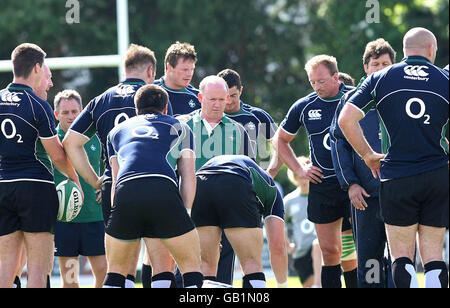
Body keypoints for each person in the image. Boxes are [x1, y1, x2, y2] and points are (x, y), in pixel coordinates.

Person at [338, 27, 449, 288]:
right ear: (431, 50)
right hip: (437, 176)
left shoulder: (382, 78)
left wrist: (368, 155)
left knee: (402, 256)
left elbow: (345, 119)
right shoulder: (444, 79)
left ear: (403, 51)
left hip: (396, 176)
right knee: (434, 256)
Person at [63, 43, 157, 287]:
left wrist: (96, 180)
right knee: (158, 257)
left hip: (115, 186)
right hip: (153, 183)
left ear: (125, 69)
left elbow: (71, 142)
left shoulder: (102, 99)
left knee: (118, 263)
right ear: (149, 72)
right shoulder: (156, 96)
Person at [104, 84, 203, 288]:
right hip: (162, 190)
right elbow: (188, 177)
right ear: (165, 108)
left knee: (115, 273)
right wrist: (185, 214)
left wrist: (119, 217)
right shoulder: (181, 127)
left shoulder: (116, 132)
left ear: (136, 108)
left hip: (126, 193)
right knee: (190, 266)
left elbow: (115, 182)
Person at [271, 55, 356, 288]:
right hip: (323, 187)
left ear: (336, 77)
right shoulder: (305, 105)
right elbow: (280, 139)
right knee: (330, 252)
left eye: (321, 81)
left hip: (354, 185)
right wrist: (299, 168)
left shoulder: (356, 98)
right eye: (312, 82)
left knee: (355, 254)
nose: (317, 87)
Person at [0, 43, 80, 288]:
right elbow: (56, 155)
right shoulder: (38, 105)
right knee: (38, 265)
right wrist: (75, 179)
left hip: (2, 185)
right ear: (36, 67)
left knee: (5, 263)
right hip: (35, 187)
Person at [330, 38, 396, 288]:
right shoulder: (350, 103)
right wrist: (351, 184)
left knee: (402, 260)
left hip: (400, 191)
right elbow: (338, 144)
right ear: (365, 68)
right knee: (369, 261)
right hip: (366, 194)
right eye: (375, 64)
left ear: (394, 65)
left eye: (386, 63)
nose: (380, 68)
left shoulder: (401, 98)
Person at [217, 69, 288, 288]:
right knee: (220, 250)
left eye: (233, 96)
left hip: (248, 190)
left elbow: (282, 146)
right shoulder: (212, 115)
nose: (228, 102)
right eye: (224, 96)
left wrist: (270, 174)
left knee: (255, 250)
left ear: (241, 91)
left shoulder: (256, 116)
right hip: (217, 189)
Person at [192, 155, 284, 288]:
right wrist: (283, 286)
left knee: (206, 266)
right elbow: (278, 246)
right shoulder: (272, 190)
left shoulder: (260, 180)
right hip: (235, 178)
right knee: (251, 264)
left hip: (200, 179)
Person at [53, 90, 107, 288]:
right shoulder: (50, 140)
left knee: (103, 272)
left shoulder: (95, 136)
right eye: (65, 112)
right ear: (56, 114)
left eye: (75, 111)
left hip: (95, 215)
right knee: (70, 279)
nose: (71, 116)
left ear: (82, 111)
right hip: (65, 220)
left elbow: (112, 162)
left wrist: (106, 186)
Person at [284, 156, 322, 288]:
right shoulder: (289, 200)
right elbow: (278, 224)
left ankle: (317, 283)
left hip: (319, 249)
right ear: (295, 177)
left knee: (317, 245)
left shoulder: (320, 196)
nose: (304, 180)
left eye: (307, 176)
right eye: (300, 176)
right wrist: (288, 245)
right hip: (300, 251)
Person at [154, 41, 200, 117]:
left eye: (192, 69)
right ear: (169, 67)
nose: (190, 74)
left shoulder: (198, 97)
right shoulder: (150, 92)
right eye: (185, 69)